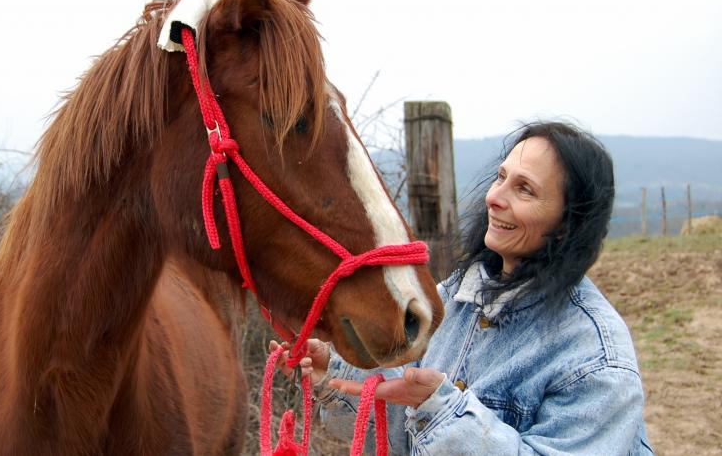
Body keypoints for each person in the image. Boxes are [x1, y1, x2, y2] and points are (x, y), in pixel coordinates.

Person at [271, 121, 654, 455]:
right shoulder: (456, 298)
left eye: (525, 190)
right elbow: (406, 433)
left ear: (569, 223)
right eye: (501, 177)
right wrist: (334, 376)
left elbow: (434, 415)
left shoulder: (596, 358)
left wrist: (443, 414)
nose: (493, 197)